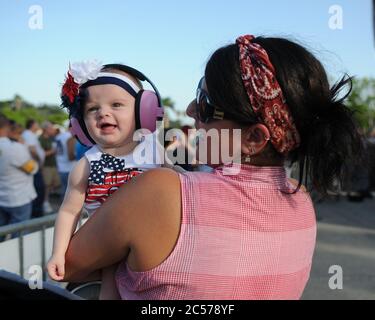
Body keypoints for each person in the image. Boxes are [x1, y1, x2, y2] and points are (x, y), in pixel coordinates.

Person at [61, 35, 363, 300]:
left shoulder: (161, 192)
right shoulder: (302, 200)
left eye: (206, 104)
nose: (192, 110)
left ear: (254, 138)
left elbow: (69, 265)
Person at [47, 61, 163, 300]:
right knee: (110, 292)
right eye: (91, 109)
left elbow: (179, 184)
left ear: (144, 111)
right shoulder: (86, 165)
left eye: (117, 104)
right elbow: (69, 212)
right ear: (80, 123)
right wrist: (58, 253)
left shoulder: (155, 151)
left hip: (155, 243)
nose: (103, 113)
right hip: (111, 250)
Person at [0, 115, 38, 240]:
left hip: (3, 197)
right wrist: (24, 147)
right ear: (6, 128)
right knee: (19, 237)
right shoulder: (14, 148)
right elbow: (32, 168)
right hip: (18, 198)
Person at [22, 119, 46, 218]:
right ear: (32, 124)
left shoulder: (29, 134)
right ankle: (36, 214)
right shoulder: (29, 134)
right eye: (36, 123)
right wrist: (39, 160)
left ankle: (35, 212)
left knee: (38, 189)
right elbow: (32, 150)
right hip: (34, 167)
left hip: (32, 166)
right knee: (39, 189)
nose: (38, 125)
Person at [39, 121, 60, 214]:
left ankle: (47, 200)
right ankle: (45, 202)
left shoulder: (51, 138)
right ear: (45, 129)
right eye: (50, 128)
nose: (52, 130)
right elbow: (41, 154)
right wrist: (52, 151)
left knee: (55, 183)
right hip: (46, 166)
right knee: (47, 185)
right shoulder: (40, 139)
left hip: (53, 165)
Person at [54, 124, 77, 198]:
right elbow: (70, 156)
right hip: (69, 168)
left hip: (61, 166)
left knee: (64, 189)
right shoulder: (69, 137)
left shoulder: (58, 136)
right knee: (71, 193)